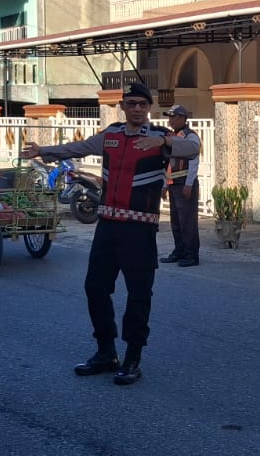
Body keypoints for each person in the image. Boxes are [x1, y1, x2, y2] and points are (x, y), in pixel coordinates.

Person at [21, 82, 200, 387]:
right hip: (107, 226)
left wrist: (164, 145)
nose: (137, 109)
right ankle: (106, 352)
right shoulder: (111, 135)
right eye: (131, 104)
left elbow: (194, 148)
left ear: (149, 108)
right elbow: (77, 147)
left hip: (140, 229)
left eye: (143, 105)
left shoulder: (160, 136)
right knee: (95, 288)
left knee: (139, 294)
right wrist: (44, 151)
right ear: (123, 106)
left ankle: (132, 357)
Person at [160, 105, 202, 267]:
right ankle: (179, 251)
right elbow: (168, 164)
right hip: (173, 184)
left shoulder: (190, 136)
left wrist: (189, 184)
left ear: (183, 118)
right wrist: (164, 184)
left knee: (187, 222)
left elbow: (194, 161)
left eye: (174, 117)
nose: (170, 120)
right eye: (170, 117)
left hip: (185, 184)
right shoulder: (171, 136)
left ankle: (191, 255)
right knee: (176, 222)